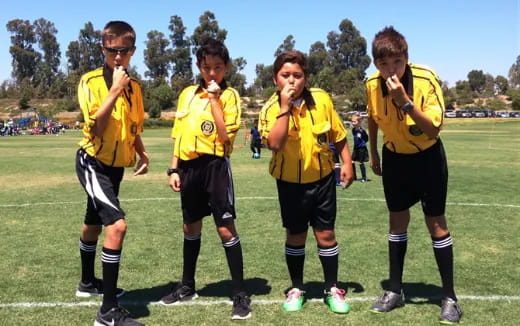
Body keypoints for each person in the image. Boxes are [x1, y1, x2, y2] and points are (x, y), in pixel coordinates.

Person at [365, 26, 462, 324]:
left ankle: (449, 298)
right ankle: (394, 291)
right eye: (383, 64)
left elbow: (433, 128)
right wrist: (374, 152)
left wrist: (404, 101)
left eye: (396, 62)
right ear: (375, 64)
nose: (390, 69)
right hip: (395, 158)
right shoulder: (371, 83)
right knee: (397, 221)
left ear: (406, 57)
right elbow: (372, 117)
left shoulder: (425, 79)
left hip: (428, 158)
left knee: (436, 224)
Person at [161, 39, 251, 320]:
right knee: (190, 226)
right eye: (206, 67)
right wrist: (174, 169)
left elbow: (225, 136)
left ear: (226, 68)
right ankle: (187, 286)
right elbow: (178, 134)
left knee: (225, 228)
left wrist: (214, 99)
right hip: (188, 167)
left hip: (215, 165)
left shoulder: (230, 96)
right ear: (199, 67)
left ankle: (239, 293)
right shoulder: (187, 94)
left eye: (217, 68)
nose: (212, 73)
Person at [258, 50, 354, 314]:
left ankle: (332, 288)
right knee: (296, 236)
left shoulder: (321, 99)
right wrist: (285, 109)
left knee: (326, 235)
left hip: (323, 179)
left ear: (306, 78)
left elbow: (338, 133)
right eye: (285, 75)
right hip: (289, 183)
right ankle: (296, 288)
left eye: (297, 75)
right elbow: (275, 144)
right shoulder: (269, 109)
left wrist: (346, 163)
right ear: (275, 78)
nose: (292, 81)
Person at [75, 21, 149, 326]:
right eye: (111, 50)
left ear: (132, 51)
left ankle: (87, 283)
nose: (117, 57)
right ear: (102, 49)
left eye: (123, 51)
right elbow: (97, 125)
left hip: (116, 165)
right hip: (92, 161)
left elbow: (133, 126)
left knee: (93, 223)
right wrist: (115, 90)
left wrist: (141, 151)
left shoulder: (136, 88)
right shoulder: (90, 82)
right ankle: (107, 313)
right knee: (117, 226)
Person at [351, 114, 370, 182]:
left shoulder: (362, 131)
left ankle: (364, 178)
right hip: (355, 148)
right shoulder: (353, 130)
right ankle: (354, 177)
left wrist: (362, 143)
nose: (353, 123)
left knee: (361, 162)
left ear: (358, 122)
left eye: (354, 121)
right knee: (351, 161)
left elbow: (366, 139)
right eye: (352, 121)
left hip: (362, 149)